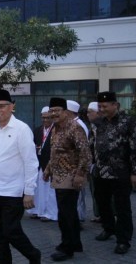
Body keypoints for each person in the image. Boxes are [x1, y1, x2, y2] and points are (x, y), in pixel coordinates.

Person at [0, 89, 41, 264]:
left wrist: (29, 191)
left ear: (12, 107)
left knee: (11, 231)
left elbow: (31, 162)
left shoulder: (22, 129)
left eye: (2, 106)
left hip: (13, 191)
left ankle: (33, 255)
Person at [90, 91, 136, 255]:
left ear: (115, 105)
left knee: (122, 207)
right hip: (101, 171)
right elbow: (94, 144)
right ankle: (108, 228)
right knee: (102, 203)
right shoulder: (99, 123)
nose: (102, 109)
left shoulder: (129, 122)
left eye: (105, 106)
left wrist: (135, 171)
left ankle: (123, 240)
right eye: (99, 106)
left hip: (121, 172)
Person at [44, 98, 91, 262]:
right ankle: (75, 243)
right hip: (58, 175)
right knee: (68, 212)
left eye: (57, 110)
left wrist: (80, 174)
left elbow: (85, 153)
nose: (54, 114)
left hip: (70, 176)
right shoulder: (55, 128)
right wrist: (48, 169)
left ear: (65, 112)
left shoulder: (74, 128)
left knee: (66, 214)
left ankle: (67, 248)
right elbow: (55, 152)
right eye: (51, 111)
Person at [28, 106, 58, 222]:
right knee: (38, 189)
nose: (45, 120)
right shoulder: (37, 130)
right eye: (43, 118)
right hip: (38, 163)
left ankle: (49, 213)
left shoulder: (56, 130)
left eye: (48, 118)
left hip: (50, 164)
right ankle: (36, 211)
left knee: (49, 191)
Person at [86, 102, 102, 223]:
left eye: (90, 111)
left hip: (103, 166)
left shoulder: (103, 126)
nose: (87, 114)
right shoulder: (92, 126)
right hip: (93, 165)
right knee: (95, 191)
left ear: (98, 113)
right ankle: (99, 214)